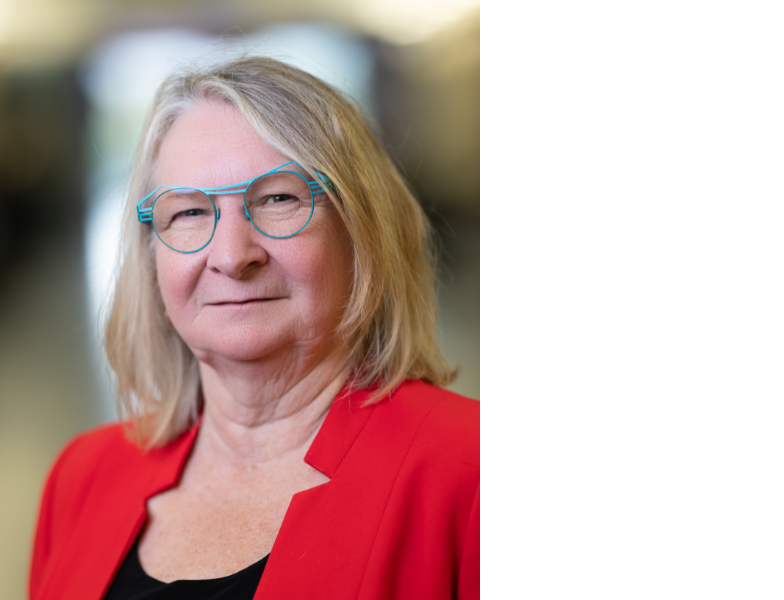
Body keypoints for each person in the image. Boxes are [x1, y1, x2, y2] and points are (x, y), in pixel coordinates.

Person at [29, 57, 479, 600]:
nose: (231, 256)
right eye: (189, 212)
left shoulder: (472, 470)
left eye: (278, 199)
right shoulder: (82, 476)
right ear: (151, 257)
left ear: (363, 230)